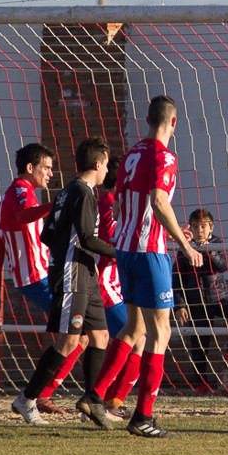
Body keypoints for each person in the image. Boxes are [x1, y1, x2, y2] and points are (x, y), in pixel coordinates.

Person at [83, 95, 203, 438]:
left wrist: (158, 228)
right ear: (173, 122)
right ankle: (143, 417)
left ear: (147, 120)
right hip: (150, 252)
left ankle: (95, 396)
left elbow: (120, 205)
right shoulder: (164, 156)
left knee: (134, 327)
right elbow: (159, 201)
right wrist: (184, 244)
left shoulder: (132, 154)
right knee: (161, 332)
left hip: (124, 250)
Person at [15, 137, 119, 429]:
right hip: (73, 276)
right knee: (68, 341)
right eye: (106, 165)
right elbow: (86, 238)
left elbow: (47, 234)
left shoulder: (65, 192)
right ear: (97, 164)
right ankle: (27, 399)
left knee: (100, 337)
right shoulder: (83, 193)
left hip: (86, 274)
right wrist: (120, 252)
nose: (107, 170)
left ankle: (92, 402)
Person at [0, 142, 81, 420]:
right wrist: (55, 206)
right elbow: (24, 215)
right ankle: (35, 397)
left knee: (78, 335)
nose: (51, 173)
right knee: (79, 334)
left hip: (40, 277)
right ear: (30, 167)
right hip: (36, 279)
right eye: (47, 168)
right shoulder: (20, 191)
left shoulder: (14, 194)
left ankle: (40, 395)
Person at [174, 208, 228, 395]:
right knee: (199, 345)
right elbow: (177, 280)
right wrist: (180, 306)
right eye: (195, 226)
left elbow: (223, 266)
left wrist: (208, 249)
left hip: (218, 298)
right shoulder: (184, 250)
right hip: (196, 304)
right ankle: (201, 384)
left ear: (211, 228)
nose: (199, 230)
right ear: (190, 228)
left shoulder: (217, 244)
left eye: (203, 226)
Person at [95, 156, 144, 421]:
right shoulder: (108, 202)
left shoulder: (114, 202)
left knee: (127, 338)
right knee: (137, 338)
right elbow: (113, 242)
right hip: (106, 281)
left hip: (117, 282)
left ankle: (107, 400)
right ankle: (105, 400)